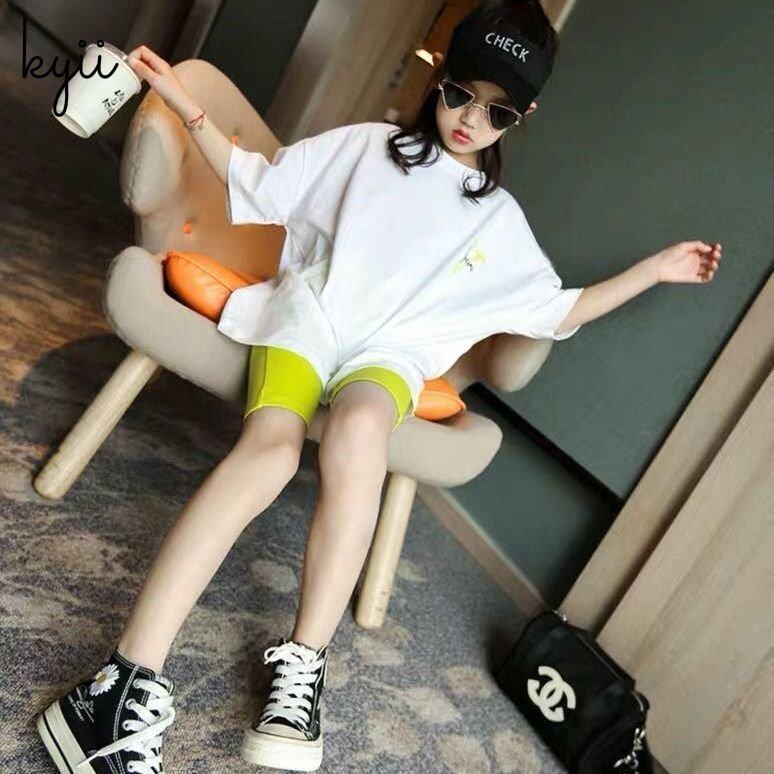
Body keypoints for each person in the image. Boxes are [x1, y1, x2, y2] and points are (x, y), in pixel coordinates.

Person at [35, 1, 722, 772]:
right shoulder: (367, 147)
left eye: (496, 111)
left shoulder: (497, 221)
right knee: (269, 455)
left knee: (362, 431)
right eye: (460, 93)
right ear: (441, 79)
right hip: (311, 321)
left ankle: (303, 666)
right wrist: (183, 101)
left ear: (520, 118)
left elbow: (559, 310)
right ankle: (119, 685)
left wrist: (653, 272)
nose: (470, 119)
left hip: (389, 358)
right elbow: (257, 182)